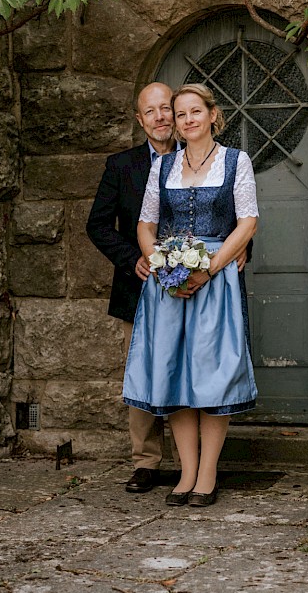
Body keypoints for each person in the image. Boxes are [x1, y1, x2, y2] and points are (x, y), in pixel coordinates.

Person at [123, 83, 259, 508]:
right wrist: (161, 264)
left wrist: (209, 268)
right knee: (175, 374)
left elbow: (248, 222)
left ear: (212, 115)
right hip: (169, 285)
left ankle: (208, 473)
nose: (187, 120)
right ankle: (185, 473)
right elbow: (146, 225)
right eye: (180, 115)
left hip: (215, 281)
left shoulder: (236, 162)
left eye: (194, 112)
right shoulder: (162, 167)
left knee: (211, 374)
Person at [86, 82, 178, 494]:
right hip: (138, 289)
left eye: (167, 108)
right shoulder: (121, 166)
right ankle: (146, 462)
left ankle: (193, 462)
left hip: (196, 287)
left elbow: (231, 211)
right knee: (142, 374)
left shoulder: (204, 159)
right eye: (151, 111)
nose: (161, 117)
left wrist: (245, 247)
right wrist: (131, 259)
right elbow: (98, 225)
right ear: (140, 120)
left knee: (189, 371)